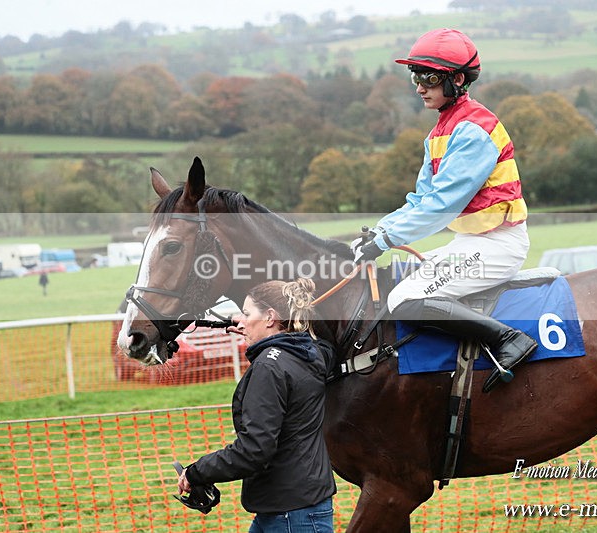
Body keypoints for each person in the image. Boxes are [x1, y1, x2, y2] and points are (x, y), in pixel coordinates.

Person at [351, 28, 537, 393]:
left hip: (497, 246)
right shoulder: (440, 132)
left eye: (429, 77)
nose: (420, 86)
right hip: (472, 243)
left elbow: (442, 205)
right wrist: (378, 232)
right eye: (416, 77)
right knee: (401, 278)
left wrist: (386, 240)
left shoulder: (473, 129)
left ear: (456, 79)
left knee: (405, 300)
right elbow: (420, 199)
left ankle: (509, 340)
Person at [176, 278, 336, 532]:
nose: (240, 320)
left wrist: (197, 472)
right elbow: (319, 343)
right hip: (296, 506)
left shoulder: (268, 368)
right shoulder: (310, 354)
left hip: (290, 514)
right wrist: (255, 330)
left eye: (247, 313)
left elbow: (255, 450)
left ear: (270, 317)